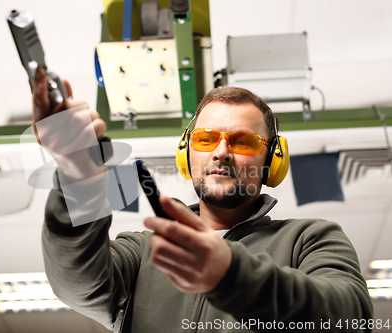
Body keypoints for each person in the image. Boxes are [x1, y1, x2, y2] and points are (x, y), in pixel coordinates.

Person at [32, 67, 373, 332]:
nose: (221, 153)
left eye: (243, 141)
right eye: (207, 139)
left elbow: (349, 318)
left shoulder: (310, 239)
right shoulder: (144, 251)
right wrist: (77, 177)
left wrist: (230, 274)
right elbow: (76, 285)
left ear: (272, 161)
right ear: (186, 153)